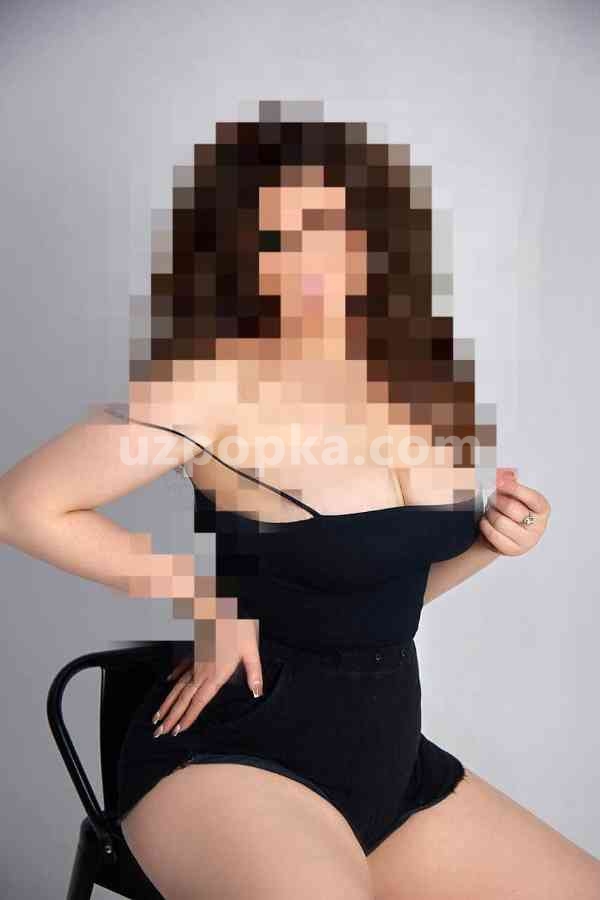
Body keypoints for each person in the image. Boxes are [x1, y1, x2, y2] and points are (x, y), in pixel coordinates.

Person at [1, 110, 598, 900]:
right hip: (236, 755)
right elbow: (24, 506)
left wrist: (491, 543)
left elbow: (379, 600)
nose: (310, 261)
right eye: (276, 240)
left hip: (388, 767)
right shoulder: (206, 384)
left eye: (330, 228)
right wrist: (204, 600)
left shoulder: (415, 385)